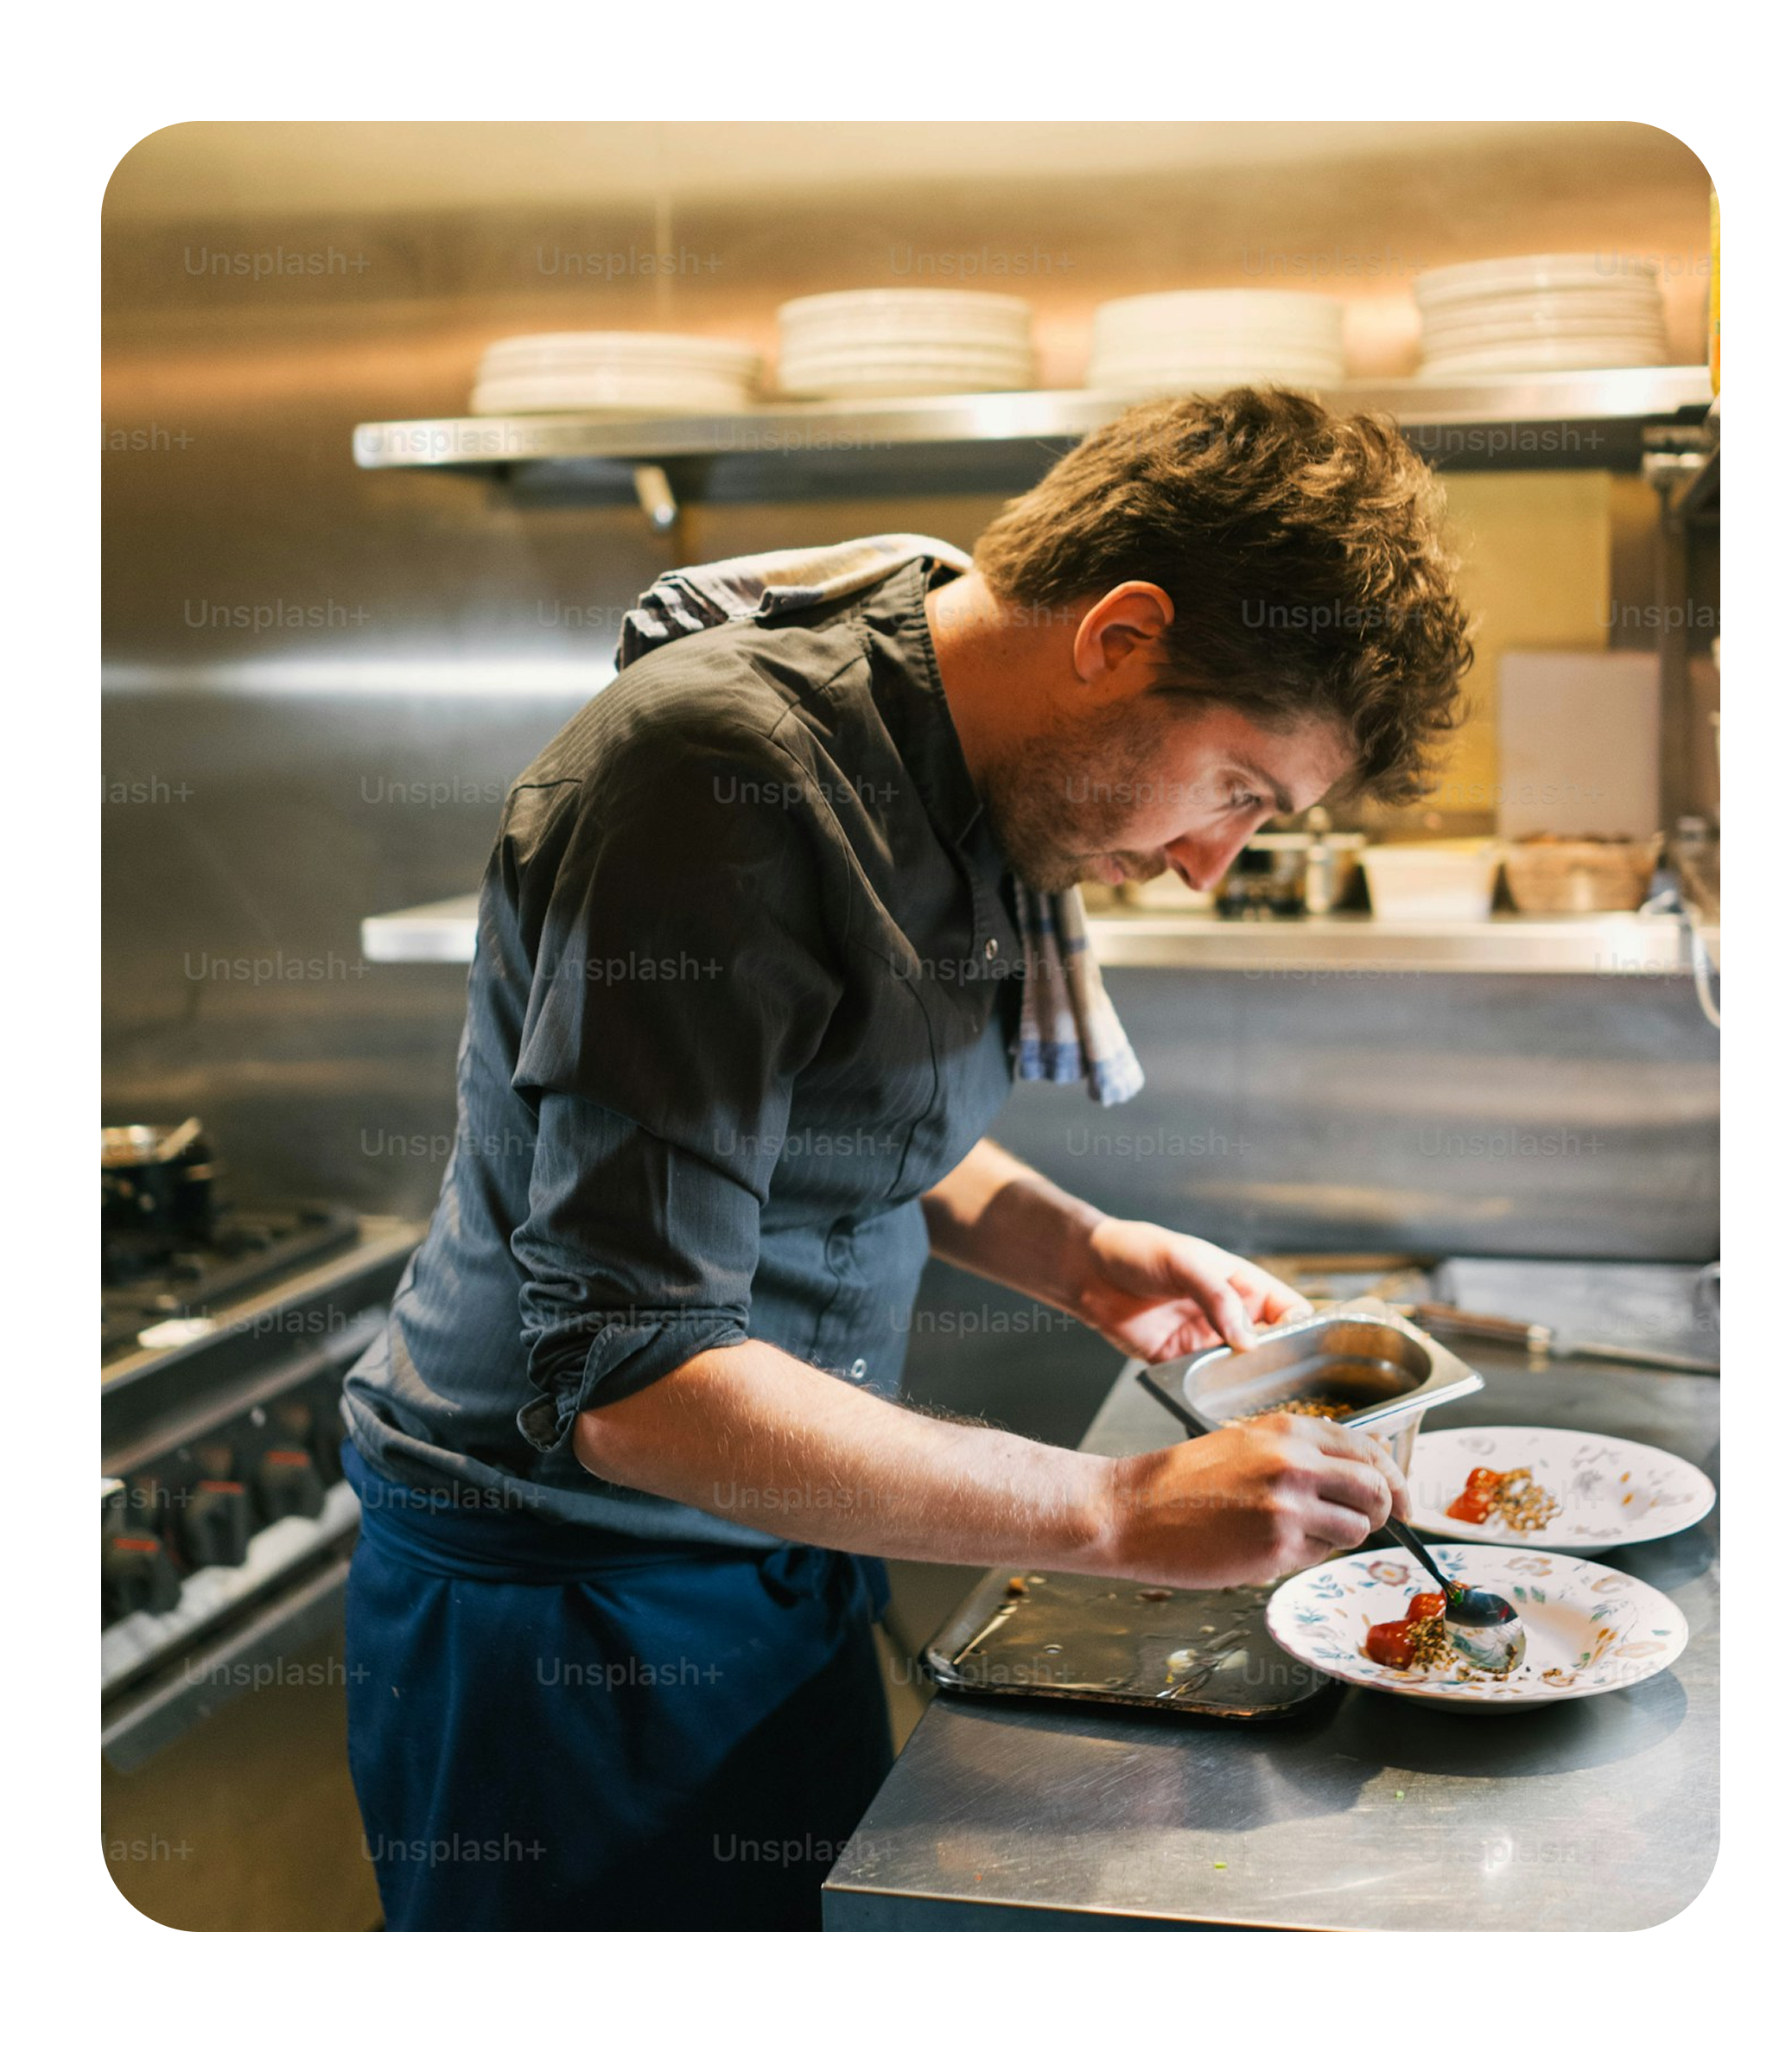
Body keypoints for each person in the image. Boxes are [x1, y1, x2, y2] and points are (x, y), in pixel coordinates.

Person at [341, 386, 1471, 1930]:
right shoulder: (719, 781)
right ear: (1121, 635)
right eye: (1236, 792)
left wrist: (1078, 1253)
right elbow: (635, 1385)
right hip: (572, 1600)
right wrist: (1122, 1508)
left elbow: (805, 1107)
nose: (1212, 863)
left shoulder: (970, 767)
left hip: (788, 1525)